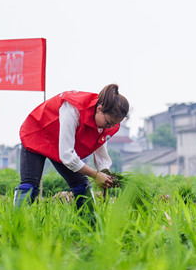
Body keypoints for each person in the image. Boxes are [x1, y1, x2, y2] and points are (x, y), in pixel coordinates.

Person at [14, 84, 129, 224]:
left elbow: (99, 144)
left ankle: (90, 229)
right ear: (99, 109)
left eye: (112, 125)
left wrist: (104, 170)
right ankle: (16, 226)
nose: (108, 128)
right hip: (37, 133)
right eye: (108, 123)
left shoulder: (104, 122)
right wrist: (96, 175)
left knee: (82, 185)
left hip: (60, 142)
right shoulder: (73, 109)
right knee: (30, 186)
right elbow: (67, 156)